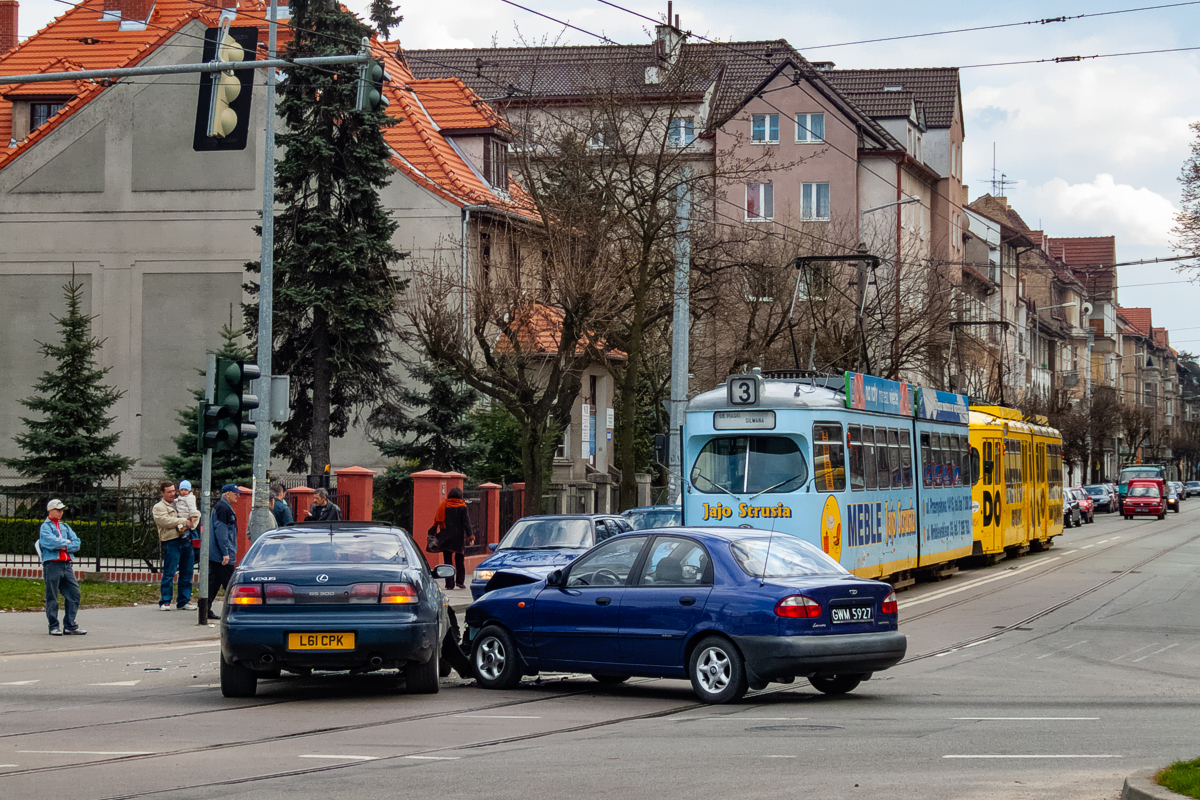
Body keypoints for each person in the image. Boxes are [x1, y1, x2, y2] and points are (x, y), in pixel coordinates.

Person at [39, 499, 86, 636]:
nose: (61, 513)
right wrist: (66, 543)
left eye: (62, 510)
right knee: (52, 596)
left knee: (74, 594)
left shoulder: (65, 526)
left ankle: (70, 625)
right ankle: (53, 626)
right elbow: (49, 542)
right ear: (50, 510)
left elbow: (77, 543)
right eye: (58, 510)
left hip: (66, 564)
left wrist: (64, 546)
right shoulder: (45, 527)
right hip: (52, 564)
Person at [153, 481, 196, 611]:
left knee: (187, 572)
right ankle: (165, 601)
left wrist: (192, 521)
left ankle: (184, 601)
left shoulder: (180, 502)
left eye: (173, 491)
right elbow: (166, 521)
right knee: (169, 572)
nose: (172, 494)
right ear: (162, 493)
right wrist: (184, 521)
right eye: (169, 492)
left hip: (186, 540)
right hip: (172, 541)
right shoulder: (159, 507)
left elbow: (193, 515)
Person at [208, 483, 245, 620]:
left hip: (216, 554)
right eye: (235, 493)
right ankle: (237, 610)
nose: (238, 496)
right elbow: (222, 532)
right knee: (230, 584)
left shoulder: (221, 507)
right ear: (227, 494)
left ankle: (204, 609)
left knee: (214, 583)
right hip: (222, 555)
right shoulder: (224, 509)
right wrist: (226, 553)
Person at [432, 487, 473, 590]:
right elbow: (466, 522)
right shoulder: (462, 506)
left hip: (445, 537)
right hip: (458, 537)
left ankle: (449, 584)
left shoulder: (444, 505)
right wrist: (470, 536)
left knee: (447, 561)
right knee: (459, 560)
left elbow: (437, 520)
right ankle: (460, 581)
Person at [173, 479, 201, 553]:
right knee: (180, 526)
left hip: (187, 515)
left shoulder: (190, 498)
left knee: (192, 529)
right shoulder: (180, 498)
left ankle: (196, 543)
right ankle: (183, 536)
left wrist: (193, 515)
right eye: (181, 490)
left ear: (189, 490)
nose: (183, 491)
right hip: (181, 516)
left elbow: (192, 507)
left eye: (185, 490)